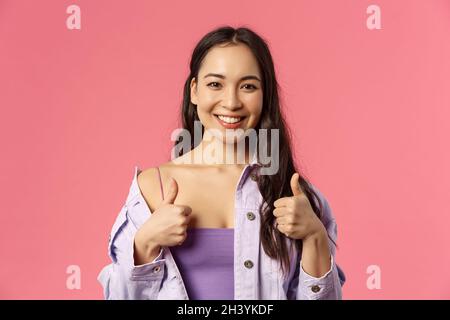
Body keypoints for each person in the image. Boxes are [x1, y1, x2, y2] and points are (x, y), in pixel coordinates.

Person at [97, 25, 346, 300]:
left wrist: (315, 236)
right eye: (215, 84)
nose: (231, 102)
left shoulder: (293, 193)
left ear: (265, 96)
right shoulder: (153, 186)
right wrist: (144, 244)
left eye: (248, 86)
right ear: (194, 91)